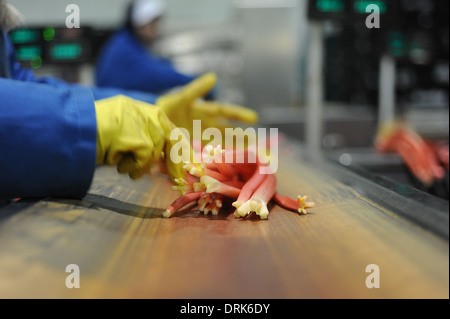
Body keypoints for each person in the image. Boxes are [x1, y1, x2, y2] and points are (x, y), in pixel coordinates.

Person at [95, 0, 203, 95]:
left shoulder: (128, 41)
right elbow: (155, 75)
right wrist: (196, 82)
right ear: (139, 24)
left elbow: (154, 64)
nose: (156, 28)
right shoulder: (124, 48)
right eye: (152, 23)